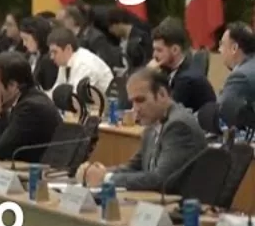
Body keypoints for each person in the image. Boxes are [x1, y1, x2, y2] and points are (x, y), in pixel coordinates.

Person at [78, 68, 206, 191]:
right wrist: (97, 172)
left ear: (162, 94)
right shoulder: (151, 127)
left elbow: (161, 179)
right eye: (132, 102)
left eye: (140, 100)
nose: (135, 109)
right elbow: (133, 167)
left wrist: (106, 178)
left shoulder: (178, 126)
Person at [151, 17, 216, 112]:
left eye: (159, 50)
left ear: (175, 50)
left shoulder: (187, 79)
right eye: (154, 49)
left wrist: (148, 75)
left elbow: (163, 112)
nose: (154, 55)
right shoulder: (169, 71)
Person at [47, 27, 113, 96]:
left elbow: (76, 97)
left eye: (55, 52)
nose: (52, 57)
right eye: (51, 53)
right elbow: (56, 90)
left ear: (68, 49)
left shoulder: (85, 65)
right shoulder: (65, 62)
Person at [218, 21, 255, 108]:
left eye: (222, 44)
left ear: (234, 48)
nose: (219, 49)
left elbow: (221, 109)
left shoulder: (240, 77)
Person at [19, 15, 58, 92]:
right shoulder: (28, 56)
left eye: (26, 39)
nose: (24, 44)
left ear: (38, 36)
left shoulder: (49, 60)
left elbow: (48, 90)